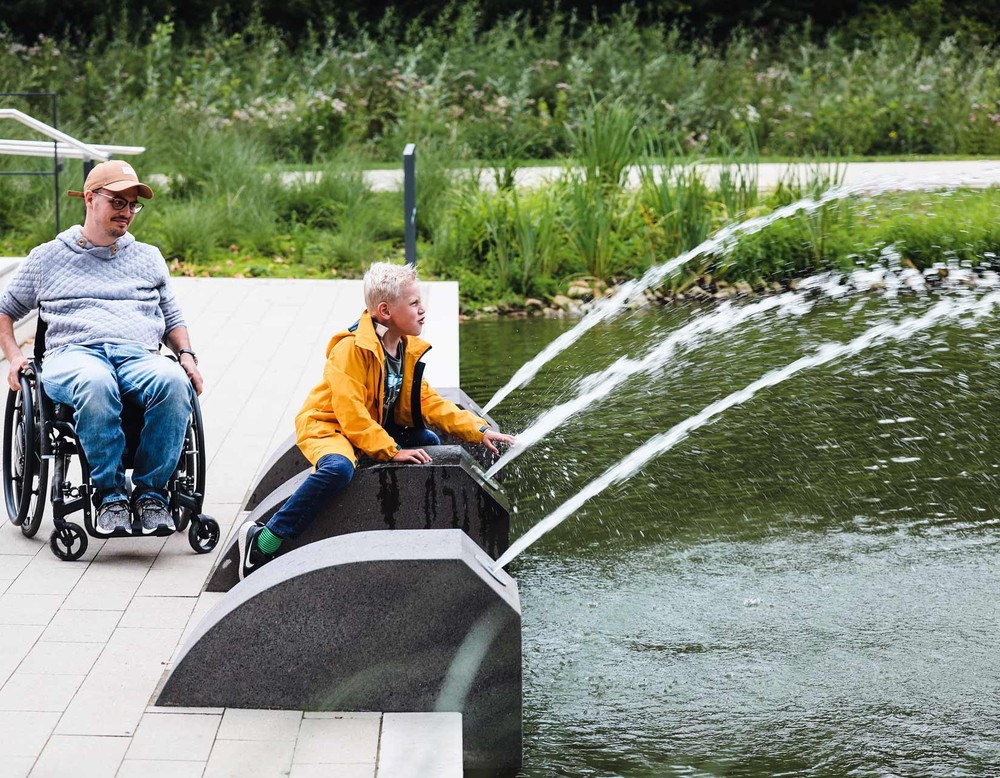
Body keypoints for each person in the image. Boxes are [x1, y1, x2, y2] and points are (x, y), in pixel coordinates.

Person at [238, 261, 515, 579]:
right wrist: (391, 450)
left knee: (429, 444)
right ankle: (264, 540)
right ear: (384, 311)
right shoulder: (351, 351)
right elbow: (351, 415)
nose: (422, 310)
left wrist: (478, 431)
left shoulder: (404, 348)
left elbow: (429, 403)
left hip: (374, 425)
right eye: (413, 303)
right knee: (339, 469)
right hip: (330, 426)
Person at [0, 160, 203, 536]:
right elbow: (4, 311)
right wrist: (14, 358)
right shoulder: (48, 257)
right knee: (95, 382)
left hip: (137, 354)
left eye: (132, 205)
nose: (126, 212)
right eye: (118, 202)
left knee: (175, 383)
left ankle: (151, 494)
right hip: (73, 355)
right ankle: (109, 494)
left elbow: (173, 318)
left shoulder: (147, 257)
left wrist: (187, 357)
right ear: (90, 199)